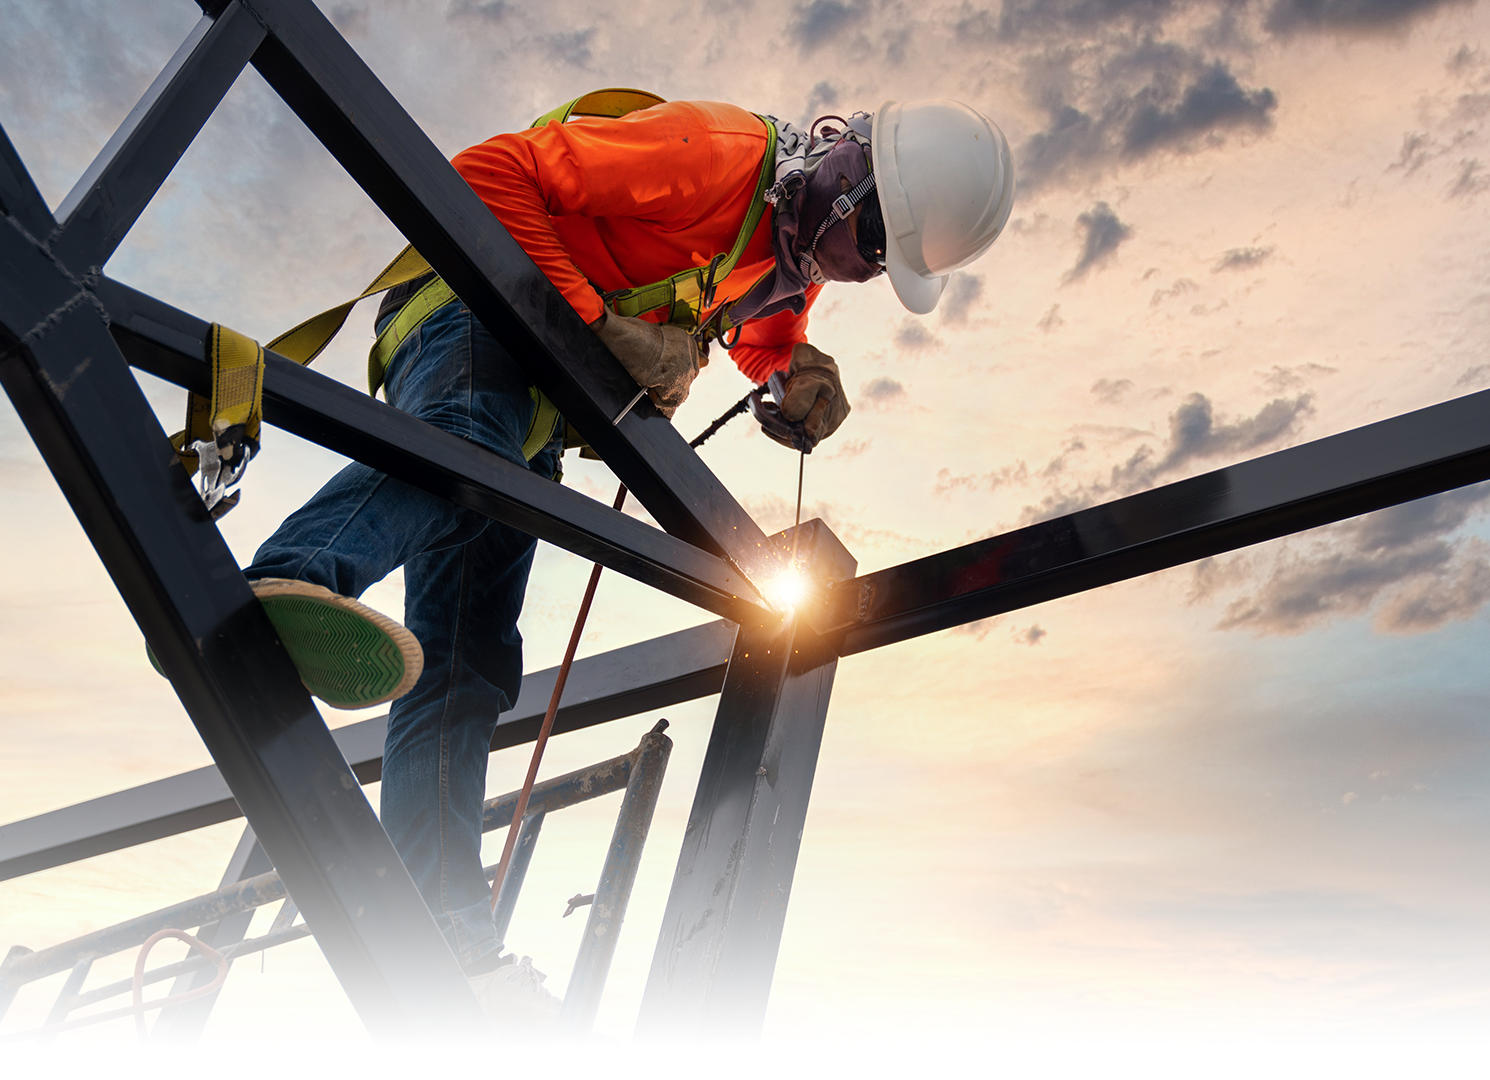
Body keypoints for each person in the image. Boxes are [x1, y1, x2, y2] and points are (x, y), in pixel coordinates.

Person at [226, 96, 1015, 1026]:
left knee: (468, 656)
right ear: (850, 187)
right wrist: (595, 317)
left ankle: (444, 931)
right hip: (468, 316)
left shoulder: (784, 266)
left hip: (538, 399)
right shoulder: (721, 156)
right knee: (465, 445)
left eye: (887, 265)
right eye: (879, 245)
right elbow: (487, 174)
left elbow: (752, 328)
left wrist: (788, 371)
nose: (867, 270)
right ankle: (295, 576)